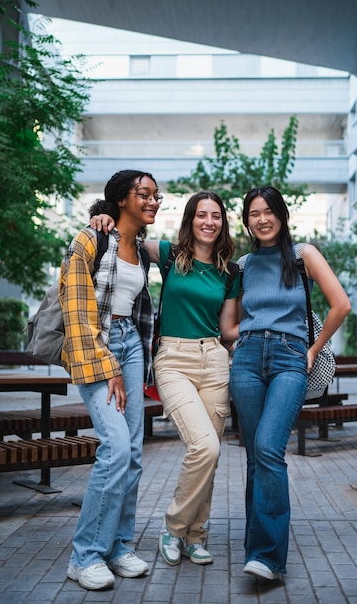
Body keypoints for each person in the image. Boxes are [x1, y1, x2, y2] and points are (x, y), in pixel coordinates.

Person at [91, 191, 240, 567]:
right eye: (202, 215)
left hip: (215, 360)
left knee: (211, 454)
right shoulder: (171, 255)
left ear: (223, 223)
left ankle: (195, 536)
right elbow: (128, 237)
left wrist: (266, 324)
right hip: (173, 359)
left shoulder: (230, 271)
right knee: (204, 446)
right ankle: (174, 527)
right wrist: (103, 218)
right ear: (191, 219)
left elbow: (227, 328)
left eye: (216, 216)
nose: (209, 222)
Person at [223, 186, 351, 581]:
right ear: (246, 220)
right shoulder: (242, 265)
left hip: (290, 359)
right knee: (253, 457)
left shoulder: (302, 255)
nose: (261, 219)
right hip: (245, 359)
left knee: (267, 448)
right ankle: (256, 550)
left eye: (268, 211)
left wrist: (312, 350)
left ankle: (269, 558)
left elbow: (341, 304)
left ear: (281, 214)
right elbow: (228, 328)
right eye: (253, 214)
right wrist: (255, 329)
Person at [60, 169, 162, 591]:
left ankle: (119, 547)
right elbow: (78, 316)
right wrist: (111, 367)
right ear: (122, 199)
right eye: (145, 194)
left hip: (131, 345)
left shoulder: (140, 248)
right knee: (115, 447)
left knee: (133, 453)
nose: (154, 201)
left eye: (157, 195)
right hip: (93, 347)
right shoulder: (89, 239)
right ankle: (84, 556)